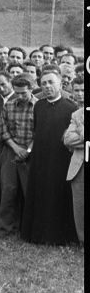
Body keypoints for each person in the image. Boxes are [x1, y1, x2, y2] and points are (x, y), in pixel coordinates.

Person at [21, 67, 77, 246]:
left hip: (61, 159)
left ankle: (58, 236)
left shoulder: (71, 108)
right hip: (40, 158)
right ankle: (37, 234)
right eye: (43, 83)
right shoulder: (39, 106)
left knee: (57, 195)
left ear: (61, 83)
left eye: (51, 82)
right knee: (40, 193)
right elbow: (37, 131)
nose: (47, 86)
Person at [0, 74, 35, 238]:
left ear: (31, 89)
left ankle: (30, 228)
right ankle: (5, 228)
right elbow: (2, 128)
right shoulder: (9, 105)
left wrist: (27, 151)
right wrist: (15, 147)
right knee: (8, 190)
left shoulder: (38, 106)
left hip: (32, 152)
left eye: (23, 93)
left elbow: (40, 132)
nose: (20, 96)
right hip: (11, 151)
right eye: (17, 92)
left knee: (30, 191)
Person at [62, 81, 84, 247]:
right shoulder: (77, 114)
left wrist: (81, 130)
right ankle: (83, 241)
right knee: (80, 205)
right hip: (79, 166)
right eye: (77, 90)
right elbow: (68, 139)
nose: (81, 93)